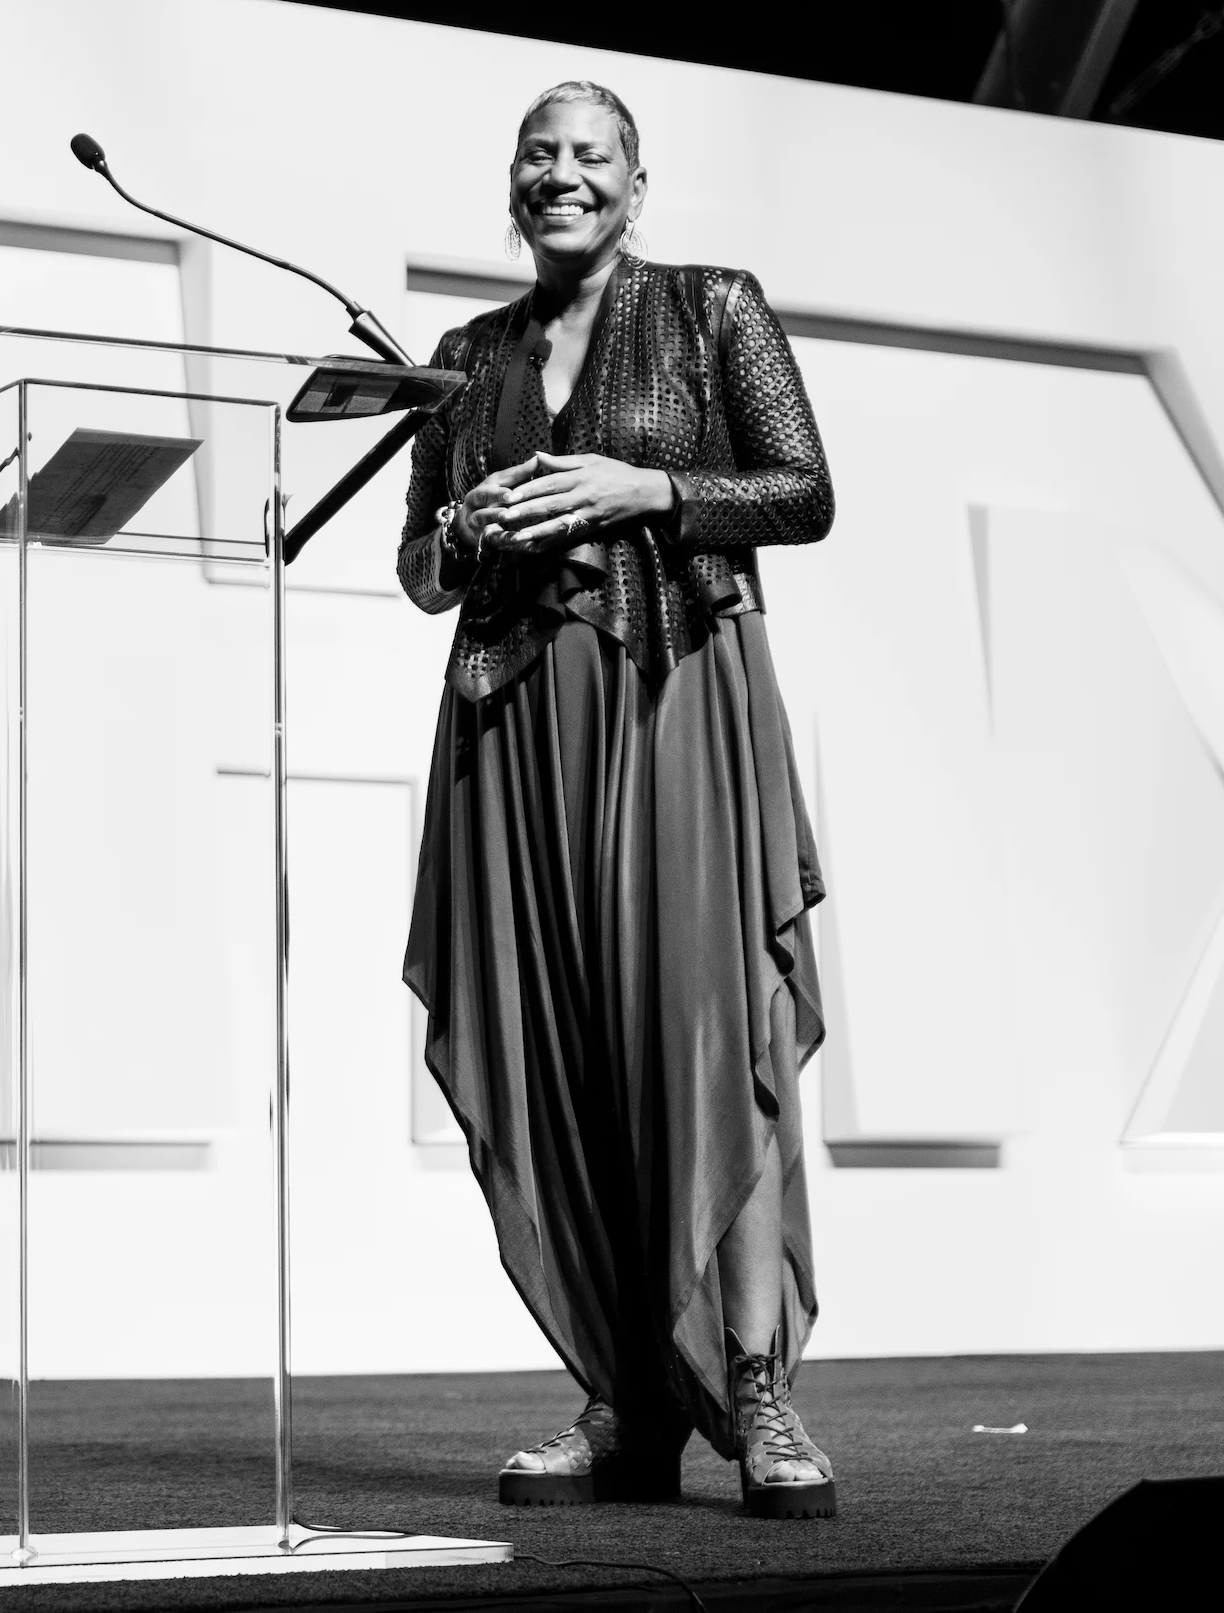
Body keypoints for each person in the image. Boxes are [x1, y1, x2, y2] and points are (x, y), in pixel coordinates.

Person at [397, 81, 837, 1519]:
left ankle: (759, 1384)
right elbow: (420, 569)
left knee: (709, 1029)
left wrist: (636, 482)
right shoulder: (467, 358)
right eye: (539, 154)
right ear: (511, 184)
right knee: (570, 1045)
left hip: (674, 694)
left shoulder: (715, 307)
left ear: (638, 185)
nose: (562, 174)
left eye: (592, 156)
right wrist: (466, 526)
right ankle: (625, 1394)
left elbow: (800, 490)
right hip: (519, 721)